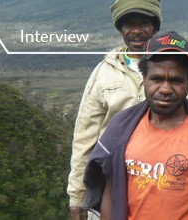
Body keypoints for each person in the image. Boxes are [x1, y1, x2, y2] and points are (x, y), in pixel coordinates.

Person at [82, 31, 188, 220]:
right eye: (157, 79)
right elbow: (111, 188)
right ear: (144, 78)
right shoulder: (121, 128)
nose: (165, 89)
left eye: (176, 80)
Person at [68, 0, 162, 218]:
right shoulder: (104, 73)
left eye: (144, 24)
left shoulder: (174, 68)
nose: (136, 31)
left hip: (160, 183)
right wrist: (78, 197)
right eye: (129, 25)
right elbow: (84, 136)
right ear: (121, 29)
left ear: (155, 28)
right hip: (109, 185)